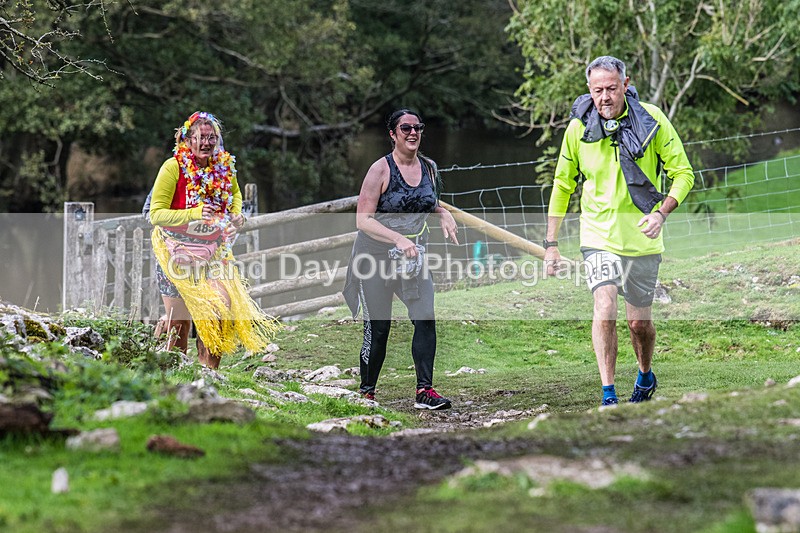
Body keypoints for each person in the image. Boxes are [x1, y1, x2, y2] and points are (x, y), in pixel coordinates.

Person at [543, 56, 694, 406]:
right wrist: (551, 244)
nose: (605, 97)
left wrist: (661, 212)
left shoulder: (652, 121)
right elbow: (562, 186)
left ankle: (644, 374)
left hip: (643, 238)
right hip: (597, 236)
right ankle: (608, 395)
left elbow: (684, 173)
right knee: (604, 304)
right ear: (589, 90)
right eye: (598, 90)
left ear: (626, 84)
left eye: (612, 88)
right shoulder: (578, 130)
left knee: (638, 325)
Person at [342, 109, 459, 409]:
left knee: (425, 318)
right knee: (379, 328)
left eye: (417, 127)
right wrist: (397, 237)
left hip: (411, 259)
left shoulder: (429, 168)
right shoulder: (380, 170)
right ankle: (366, 393)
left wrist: (443, 212)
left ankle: (425, 391)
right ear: (392, 134)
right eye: (405, 128)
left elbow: (427, 201)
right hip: (375, 257)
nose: (413, 133)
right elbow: (362, 220)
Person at [149, 111, 279, 368]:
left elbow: (235, 194)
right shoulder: (172, 167)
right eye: (202, 137)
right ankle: (176, 378)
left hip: (213, 251)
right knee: (179, 323)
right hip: (176, 252)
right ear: (187, 139)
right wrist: (195, 213)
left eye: (213, 138)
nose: (207, 143)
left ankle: (210, 375)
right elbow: (156, 214)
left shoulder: (223, 167)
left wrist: (236, 214)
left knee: (220, 310)